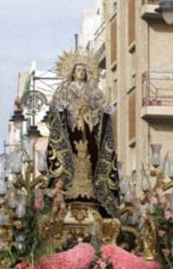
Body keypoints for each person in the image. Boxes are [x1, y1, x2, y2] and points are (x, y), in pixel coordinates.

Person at [47, 53, 119, 218]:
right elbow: (56, 106)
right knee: (71, 152)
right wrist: (62, 111)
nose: (80, 72)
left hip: (88, 126)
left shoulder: (92, 90)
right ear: (72, 72)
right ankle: (68, 186)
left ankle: (91, 187)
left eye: (83, 70)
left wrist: (105, 111)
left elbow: (106, 107)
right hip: (72, 127)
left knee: (91, 154)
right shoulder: (65, 88)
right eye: (78, 69)